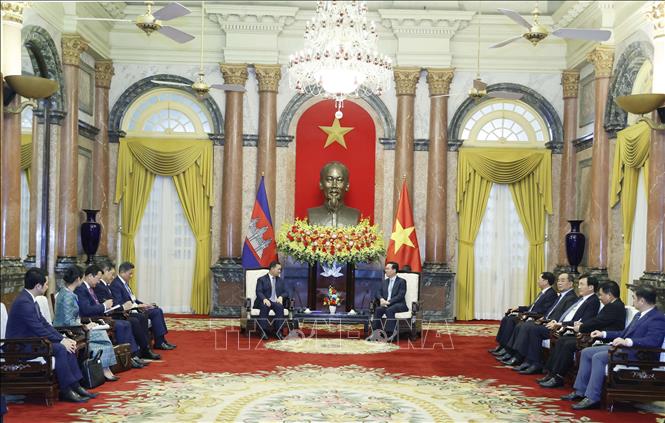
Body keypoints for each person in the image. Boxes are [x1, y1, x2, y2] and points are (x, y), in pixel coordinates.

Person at [562, 285, 665, 410]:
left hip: (640, 354)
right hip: (625, 350)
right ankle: (580, 391)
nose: (632, 301)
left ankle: (593, 397)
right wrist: (603, 333)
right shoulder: (639, 315)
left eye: (634, 298)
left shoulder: (657, 318)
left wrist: (627, 341)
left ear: (642, 301)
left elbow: (653, 341)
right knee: (586, 352)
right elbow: (623, 333)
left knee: (599, 357)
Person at [5, 268, 97, 403]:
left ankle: (75, 386)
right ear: (38, 286)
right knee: (60, 348)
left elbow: (45, 325)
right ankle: (66, 391)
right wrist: (61, 341)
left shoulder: (31, 300)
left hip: (31, 342)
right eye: (46, 284)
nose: (48, 286)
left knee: (67, 345)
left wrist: (64, 339)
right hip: (19, 347)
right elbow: (39, 329)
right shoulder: (24, 303)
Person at [539, 280, 626, 388]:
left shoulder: (615, 307)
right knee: (562, 340)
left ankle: (559, 377)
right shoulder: (612, 305)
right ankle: (552, 373)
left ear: (609, 295)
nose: (600, 297)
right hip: (594, 334)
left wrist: (581, 327)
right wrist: (582, 325)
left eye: (601, 295)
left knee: (568, 344)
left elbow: (598, 322)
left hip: (603, 338)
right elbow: (597, 321)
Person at [511, 274, 601, 375]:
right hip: (559, 325)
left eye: (581, 284)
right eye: (579, 284)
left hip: (567, 329)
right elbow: (565, 314)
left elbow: (583, 321)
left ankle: (535, 363)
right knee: (528, 326)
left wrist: (559, 323)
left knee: (532, 329)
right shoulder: (581, 299)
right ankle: (528, 360)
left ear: (591, 287)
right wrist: (554, 321)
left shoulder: (593, 301)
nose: (579, 287)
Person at [53, 266, 119, 382]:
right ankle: (103, 369)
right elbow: (68, 321)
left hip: (74, 326)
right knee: (100, 335)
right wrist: (85, 326)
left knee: (100, 332)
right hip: (67, 329)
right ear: (78, 279)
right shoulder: (67, 296)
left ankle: (103, 367)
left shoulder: (68, 293)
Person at [498, 273, 578, 366]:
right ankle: (516, 354)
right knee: (522, 325)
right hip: (546, 321)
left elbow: (562, 316)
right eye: (558, 280)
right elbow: (550, 311)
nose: (559, 283)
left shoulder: (571, 298)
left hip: (554, 325)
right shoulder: (561, 295)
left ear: (571, 283)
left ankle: (531, 361)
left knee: (528, 327)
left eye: (563, 281)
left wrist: (550, 321)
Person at [74, 264, 144, 367]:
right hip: (91, 319)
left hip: (101, 316)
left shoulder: (90, 288)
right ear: (89, 276)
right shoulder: (82, 289)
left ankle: (132, 355)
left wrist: (107, 307)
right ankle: (125, 358)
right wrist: (104, 306)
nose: (98, 282)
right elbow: (86, 310)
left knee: (126, 324)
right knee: (122, 325)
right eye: (97, 279)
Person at [95, 260, 158, 364]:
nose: (113, 277)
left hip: (116, 313)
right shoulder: (100, 287)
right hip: (110, 316)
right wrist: (122, 308)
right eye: (112, 274)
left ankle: (141, 351)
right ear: (105, 272)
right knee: (134, 321)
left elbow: (113, 303)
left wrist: (124, 308)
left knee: (139, 317)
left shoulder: (106, 285)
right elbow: (105, 306)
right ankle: (138, 353)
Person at [110, 262, 175, 350]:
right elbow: (120, 303)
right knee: (154, 313)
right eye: (130, 273)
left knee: (157, 310)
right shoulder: (116, 284)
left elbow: (133, 299)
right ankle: (155, 344)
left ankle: (161, 341)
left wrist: (145, 304)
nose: (131, 276)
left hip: (136, 307)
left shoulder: (125, 283)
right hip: (130, 311)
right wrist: (137, 306)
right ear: (123, 272)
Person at [490, 272, 558, 357]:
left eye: (539, 279)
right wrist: (519, 308)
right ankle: (502, 345)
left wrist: (527, 314)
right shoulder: (542, 293)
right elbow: (531, 307)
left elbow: (544, 310)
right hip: (529, 315)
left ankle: (509, 350)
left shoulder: (551, 294)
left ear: (545, 281)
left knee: (511, 321)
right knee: (507, 318)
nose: (537, 281)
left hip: (534, 317)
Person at [307, 161, 360, 227]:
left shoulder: (355, 214)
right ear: (321, 184)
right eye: (329, 179)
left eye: (339, 180)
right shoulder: (312, 214)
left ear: (347, 185)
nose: (334, 185)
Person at [371, 262, 408, 339]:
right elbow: (378, 292)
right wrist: (381, 299)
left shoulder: (401, 281)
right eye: (385, 269)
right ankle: (376, 333)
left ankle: (391, 333)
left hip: (399, 304)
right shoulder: (384, 281)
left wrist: (389, 302)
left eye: (387, 269)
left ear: (394, 270)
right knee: (378, 309)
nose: (385, 270)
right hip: (386, 304)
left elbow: (400, 295)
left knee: (390, 310)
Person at [254, 261, 288, 340]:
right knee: (264, 306)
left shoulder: (280, 280)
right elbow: (258, 291)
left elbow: (286, 292)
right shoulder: (261, 279)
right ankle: (263, 331)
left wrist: (281, 297)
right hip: (265, 301)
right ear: (272, 269)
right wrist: (264, 299)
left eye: (280, 270)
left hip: (275, 301)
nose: (280, 271)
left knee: (280, 307)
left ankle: (278, 331)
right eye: (278, 269)